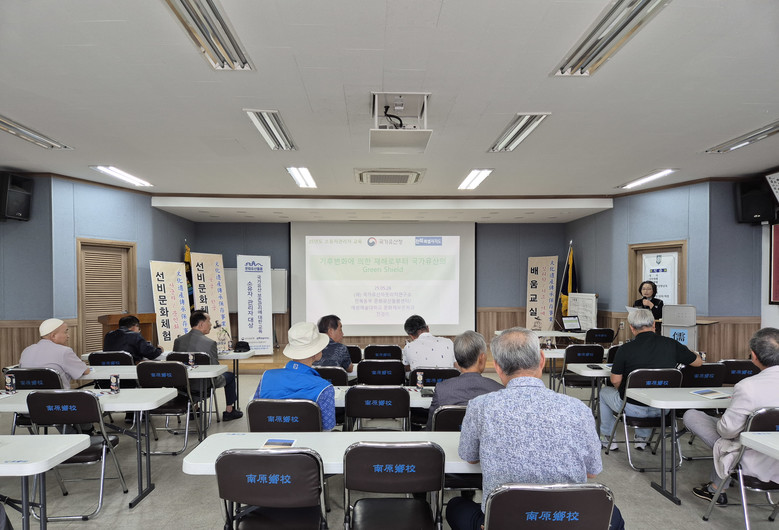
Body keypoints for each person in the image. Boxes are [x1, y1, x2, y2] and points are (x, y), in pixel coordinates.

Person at [446, 327, 624, 530]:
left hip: (502, 523)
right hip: (565, 521)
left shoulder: (480, 406)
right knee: (613, 514)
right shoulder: (579, 409)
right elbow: (592, 472)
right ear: (542, 359)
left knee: (455, 506)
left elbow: (469, 457)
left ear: (497, 367)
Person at [683, 327, 779, 505]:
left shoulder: (748, 386)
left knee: (693, 416)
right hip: (775, 456)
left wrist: (725, 419)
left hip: (749, 457)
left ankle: (717, 489)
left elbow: (727, 431)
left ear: (753, 356)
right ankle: (716, 486)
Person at [599, 308, 701, 450]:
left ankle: (607, 438)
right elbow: (698, 362)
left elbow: (615, 380)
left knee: (604, 393)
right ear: (654, 324)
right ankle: (642, 439)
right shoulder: (671, 344)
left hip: (633, 408)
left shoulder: (625, 349)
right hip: (663, 407)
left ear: (631, 328)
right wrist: (692, 352)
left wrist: (625, 392)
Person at [253, 322, 336, 431]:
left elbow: (256, 413)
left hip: (270, 439)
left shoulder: (266, 377)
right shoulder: (324, 388)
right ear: (315, 353)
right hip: (308, 441)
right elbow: (328, 427)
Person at [425, 330, 503, 430]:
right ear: (481, 358)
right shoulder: (499, 390)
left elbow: (431, 428)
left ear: (457, 359)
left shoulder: (442, 389)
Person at [173, 311, 242, 421]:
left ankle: (194, 409)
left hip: (182, 386)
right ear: (201, 324)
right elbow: (215, 369)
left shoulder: (178, 341)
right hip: (204, 386)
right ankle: (229, 411)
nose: (211, 324)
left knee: (191, 377)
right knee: (230, 376)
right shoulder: (210, 343)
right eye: (209, 321)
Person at [19, 318, 90, 386]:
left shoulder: (27, 350)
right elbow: (85, 371)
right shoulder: (64, 351)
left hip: (28, 394)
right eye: (65, 332)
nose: (68, 336)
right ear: (53, 336)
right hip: (56, 394)